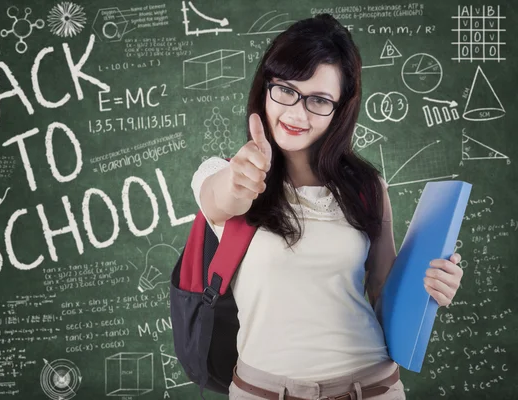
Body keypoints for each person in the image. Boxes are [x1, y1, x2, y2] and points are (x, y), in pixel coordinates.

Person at [190, 14, 463, 400]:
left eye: (318, 100)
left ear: (340, 109)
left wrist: (432, 288)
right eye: (284, 90)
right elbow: (222, 198)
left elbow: (383, 292)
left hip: (372, 387)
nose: (297, 114)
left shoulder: (367, 187)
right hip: (262, 391)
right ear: (264, 88)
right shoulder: (224, 175)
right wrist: (239, 182)